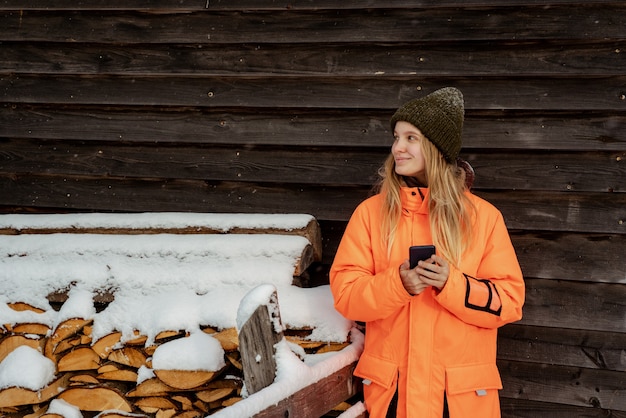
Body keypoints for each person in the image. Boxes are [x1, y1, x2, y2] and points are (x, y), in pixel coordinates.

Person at [329, 87, 525, 418]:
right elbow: (346, 295)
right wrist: (398, 285)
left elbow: (509, 302)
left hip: (458, 400)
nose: (397, 148)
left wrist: (454, 285)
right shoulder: (371, 214)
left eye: (411, 138)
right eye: (396, 137)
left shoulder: (482, 217)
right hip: (393, 396)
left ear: (435, 147)